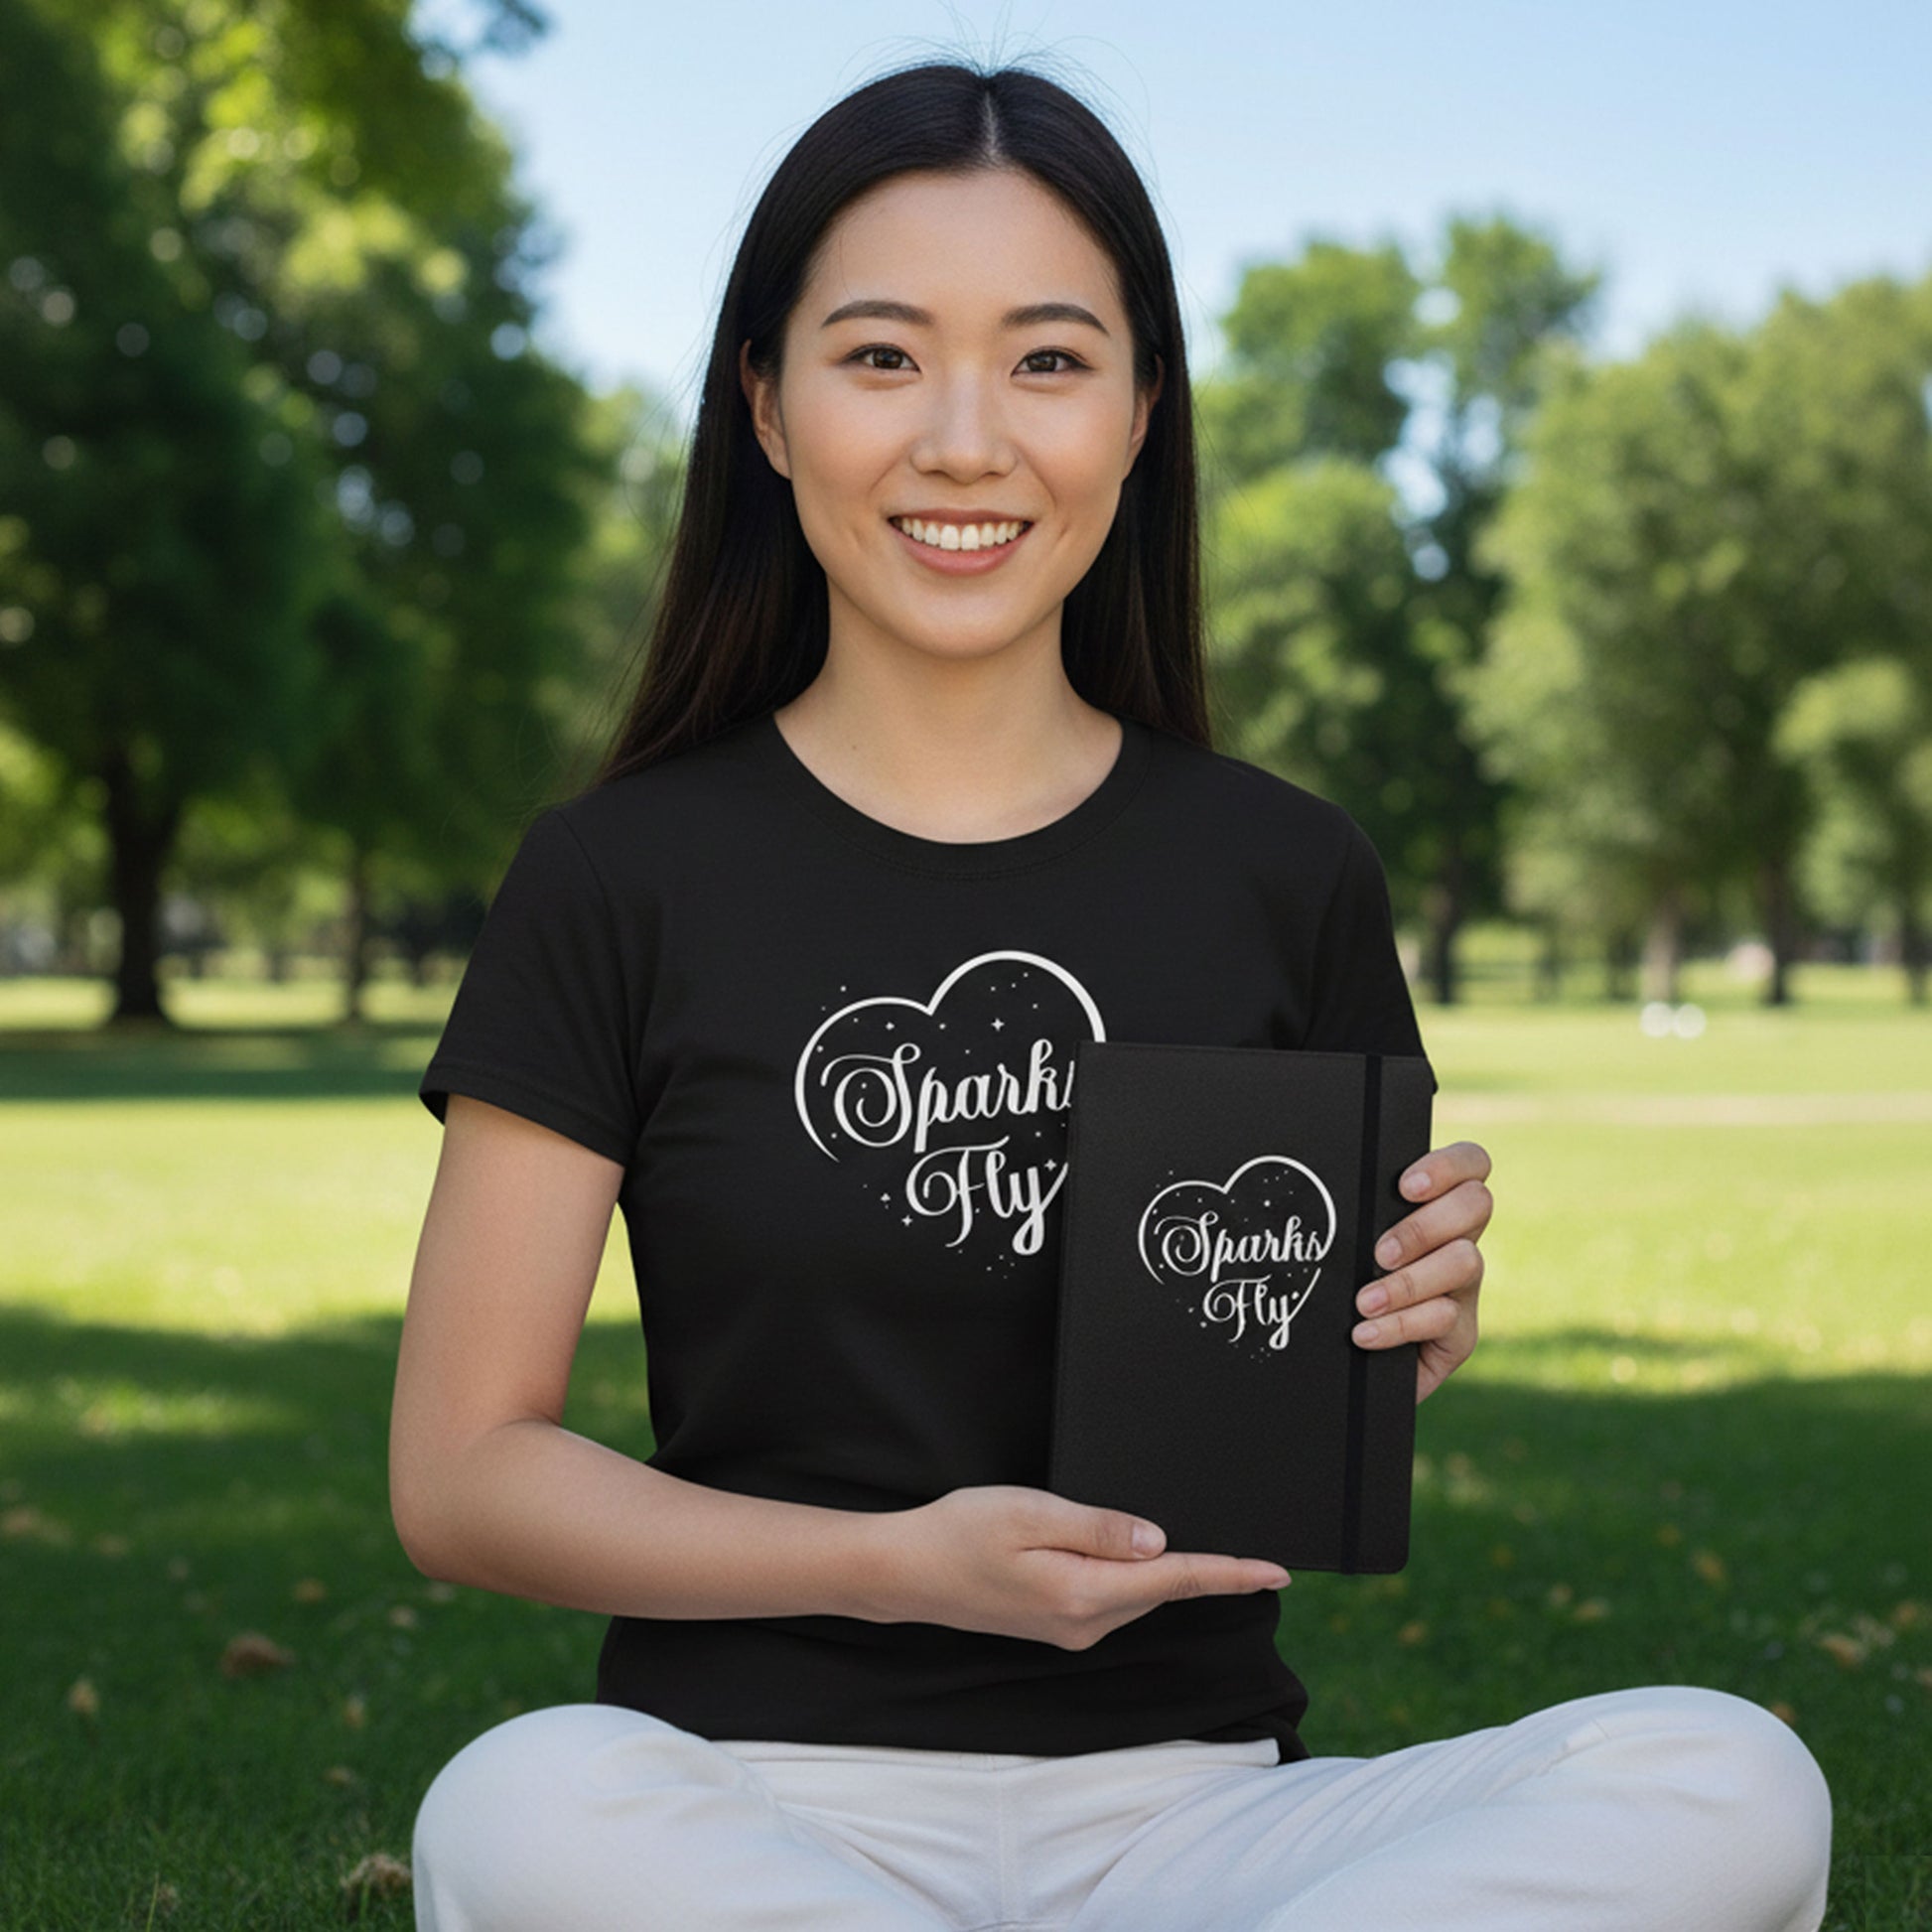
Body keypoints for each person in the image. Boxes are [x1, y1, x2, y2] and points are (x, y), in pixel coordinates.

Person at [392, 57, 1833, 1932]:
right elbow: (463, 1473)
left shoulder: (1285, 870)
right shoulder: (613, 877)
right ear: (763, 403)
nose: (966, 440)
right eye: (884, 356)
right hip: (746, 1808)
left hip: (1200, 1826)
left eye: (1050, 361)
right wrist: (902, 1565)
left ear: (1143, 413)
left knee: (1730, 1776)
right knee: (517, 1799)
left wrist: (1405, 1320)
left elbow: (1284, 1375)